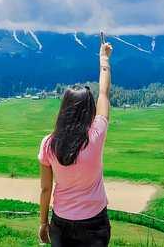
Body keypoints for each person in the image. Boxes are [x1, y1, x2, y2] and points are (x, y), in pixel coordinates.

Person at [37, 40, 113, 246]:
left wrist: (44, 223)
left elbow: (45, 189)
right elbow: (104, 94)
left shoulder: (48, 144)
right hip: (94, 223)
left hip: (61, 223)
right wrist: (104, 59)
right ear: (89, 110)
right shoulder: (96, 135)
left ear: (64, 109)